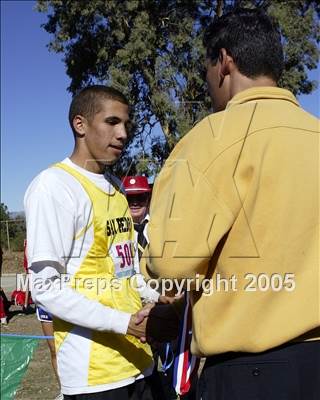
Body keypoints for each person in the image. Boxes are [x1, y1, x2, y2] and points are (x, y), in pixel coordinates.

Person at [142, 8, 320, 400]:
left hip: (252, 374)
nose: (207, 82)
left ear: (224, 62)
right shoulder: (315, 133)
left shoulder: (210, 139)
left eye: (207, 70)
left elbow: (172, 263)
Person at [24, 85, 155, 400]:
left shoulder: (117, 189)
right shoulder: (53, 186)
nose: (123, 134)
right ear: (79, 125)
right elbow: (45, 289)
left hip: (140, 363)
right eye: (112, 122)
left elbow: (126, 273)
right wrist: (123, 322)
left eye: (126, 124)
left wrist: (158, 295)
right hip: (94, 377)